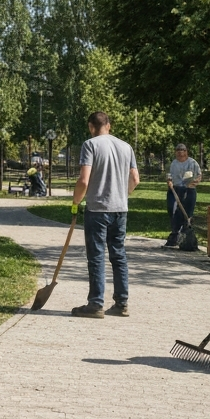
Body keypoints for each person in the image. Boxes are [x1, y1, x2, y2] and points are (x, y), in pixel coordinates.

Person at [70, 111, 139, 318]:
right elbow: (135, 179)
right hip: (120, 209)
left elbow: (84, 180)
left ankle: (96, 303)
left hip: (98, 209)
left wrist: (75, 202)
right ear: (108, 125)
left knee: (97, 255)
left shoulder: (90, 145)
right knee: (118, 256)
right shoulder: (126, 147)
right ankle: (121, 303)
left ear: (92, 127)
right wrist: (121, 194)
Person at [165, 144, 201, 248]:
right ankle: (175, 235)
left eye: (183, 150)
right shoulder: (173, 164)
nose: (180, 152)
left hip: (189, 190)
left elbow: (199, 176)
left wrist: (192, 184)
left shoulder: (192, 163)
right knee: (173, 210)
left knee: (187, 213)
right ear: (175, 152)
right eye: (178, 150)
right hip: (175, 189)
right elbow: (169, 176)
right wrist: (169, 182)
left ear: (186, 151)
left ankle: (186, 237)